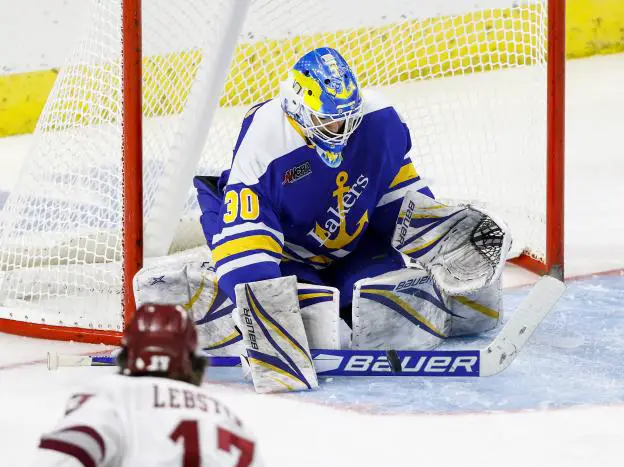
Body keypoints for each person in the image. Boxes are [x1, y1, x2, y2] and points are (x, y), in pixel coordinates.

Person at [191, 47, 511, 393]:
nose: (337, 129)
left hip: (350, 246)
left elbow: (394, 196)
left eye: (344, 118)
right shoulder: (264, 144)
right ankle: (216, 293)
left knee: (388, 302)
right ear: (297, 110)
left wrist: (440, 236)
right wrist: (259, 312)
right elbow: (248, 242)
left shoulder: (379, 120)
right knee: (307, 313)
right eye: (326, 120)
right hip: (289, 255)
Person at [34, 304, 263, 466]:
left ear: (126, 358)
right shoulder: (230, 422)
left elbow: (62, 457)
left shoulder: (112, 396)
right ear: (195, 364)